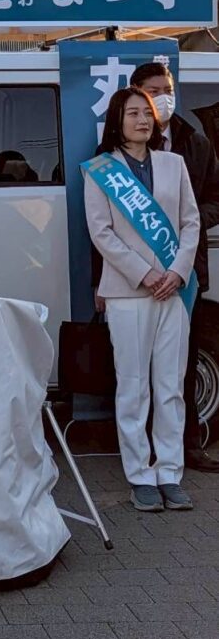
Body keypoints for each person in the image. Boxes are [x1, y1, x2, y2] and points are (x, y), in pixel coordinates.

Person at [83, 87, 200, 512]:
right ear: (117, 121)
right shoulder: (100, 170)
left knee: (170, 385)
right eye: (133, 113)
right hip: (128, 290)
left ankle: (170, 472)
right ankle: (140, 474)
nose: (143, 120)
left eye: (147, 113)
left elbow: (190, 222)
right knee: (133, 386)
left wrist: (177, 271)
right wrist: (144, 273)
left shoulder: (174, 164)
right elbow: (101, 232)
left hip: (173, 288)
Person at [130, 61, 219, 473]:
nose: (163, 97)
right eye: (153, 90)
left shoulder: (194, 141)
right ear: (135, 92)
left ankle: (188, 446)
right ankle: (142, 449)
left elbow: (215, 198)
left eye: (167, 89)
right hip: (136, 274)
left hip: (185, 271)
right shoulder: (119, 145)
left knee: (182, 362)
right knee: (138, 364)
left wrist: (188, 219)